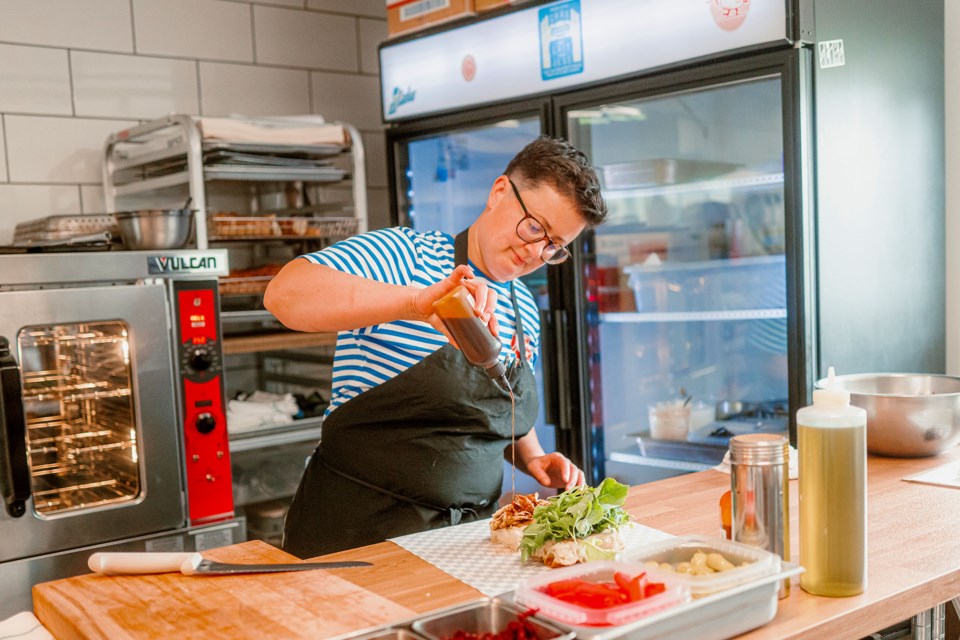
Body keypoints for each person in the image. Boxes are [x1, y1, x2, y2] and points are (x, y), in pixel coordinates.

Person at [264, 136, 608, 558]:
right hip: (357, 536)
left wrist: (532, 456)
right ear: (500, 192)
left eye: (554, 245)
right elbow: (284, 294)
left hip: (464, 545)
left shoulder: (524, 310)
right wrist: (415, 302)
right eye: (534, 226)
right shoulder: (404, 256)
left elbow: (494, 404)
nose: (535, 250)